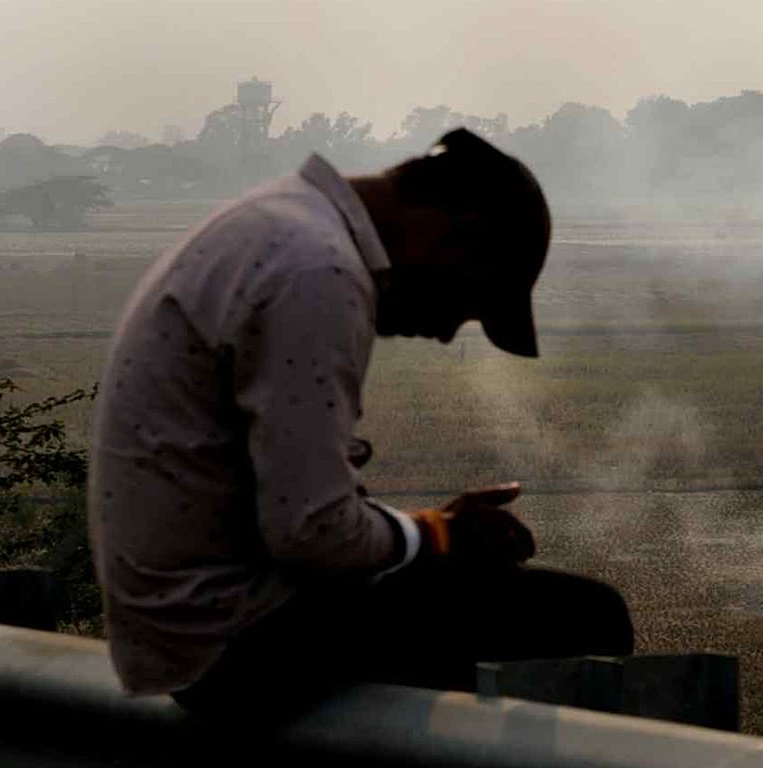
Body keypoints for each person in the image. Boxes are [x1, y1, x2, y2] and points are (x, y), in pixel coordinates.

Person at [87, 129, 634, 721]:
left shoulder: (283, 221)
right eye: (468, 300)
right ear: (453, 234)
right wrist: (440, 538)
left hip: (189, 622)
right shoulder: (319, 273)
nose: (449, 329)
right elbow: (311, 531)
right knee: (585, 617)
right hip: (234, 641)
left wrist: (426, 536)